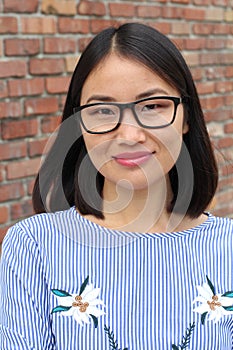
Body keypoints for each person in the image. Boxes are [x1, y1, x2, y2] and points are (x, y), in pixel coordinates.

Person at [0, 22, 233, 350]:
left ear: (186, 117)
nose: (129, 135)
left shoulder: (228, 249)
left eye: (152, 106)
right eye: (103, 110)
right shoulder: (34, 248)